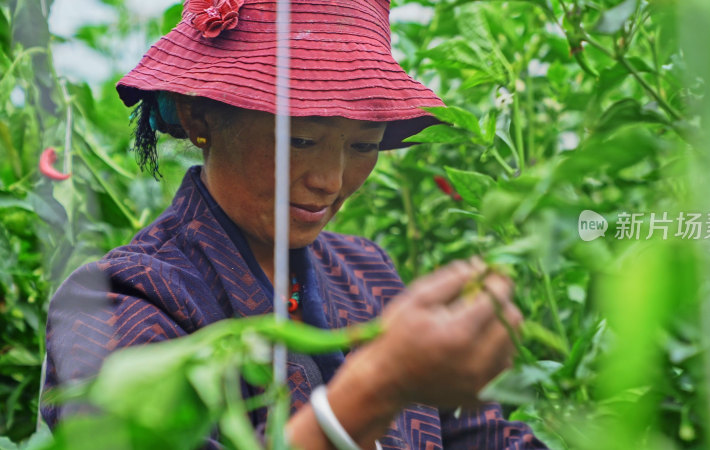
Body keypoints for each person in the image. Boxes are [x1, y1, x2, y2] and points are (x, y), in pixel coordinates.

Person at [42, 0, 547, 448]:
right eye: (301, 140)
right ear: (201, 119)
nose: (330, 180)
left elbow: (482, 436)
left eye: (363, 146)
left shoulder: (368, 271)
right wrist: (376, 388)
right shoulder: (118, 301)